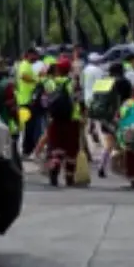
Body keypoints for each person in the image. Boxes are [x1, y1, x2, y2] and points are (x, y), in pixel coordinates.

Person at [42, 58, 83, 187]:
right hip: (72, 119)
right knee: (71, 149)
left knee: (55, 147)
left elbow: (44, 101)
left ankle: (54, 167)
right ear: (69, 69)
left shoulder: (49, 83)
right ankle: (69, 178)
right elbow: (78, 99)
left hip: (54, 119)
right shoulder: (72, 83)